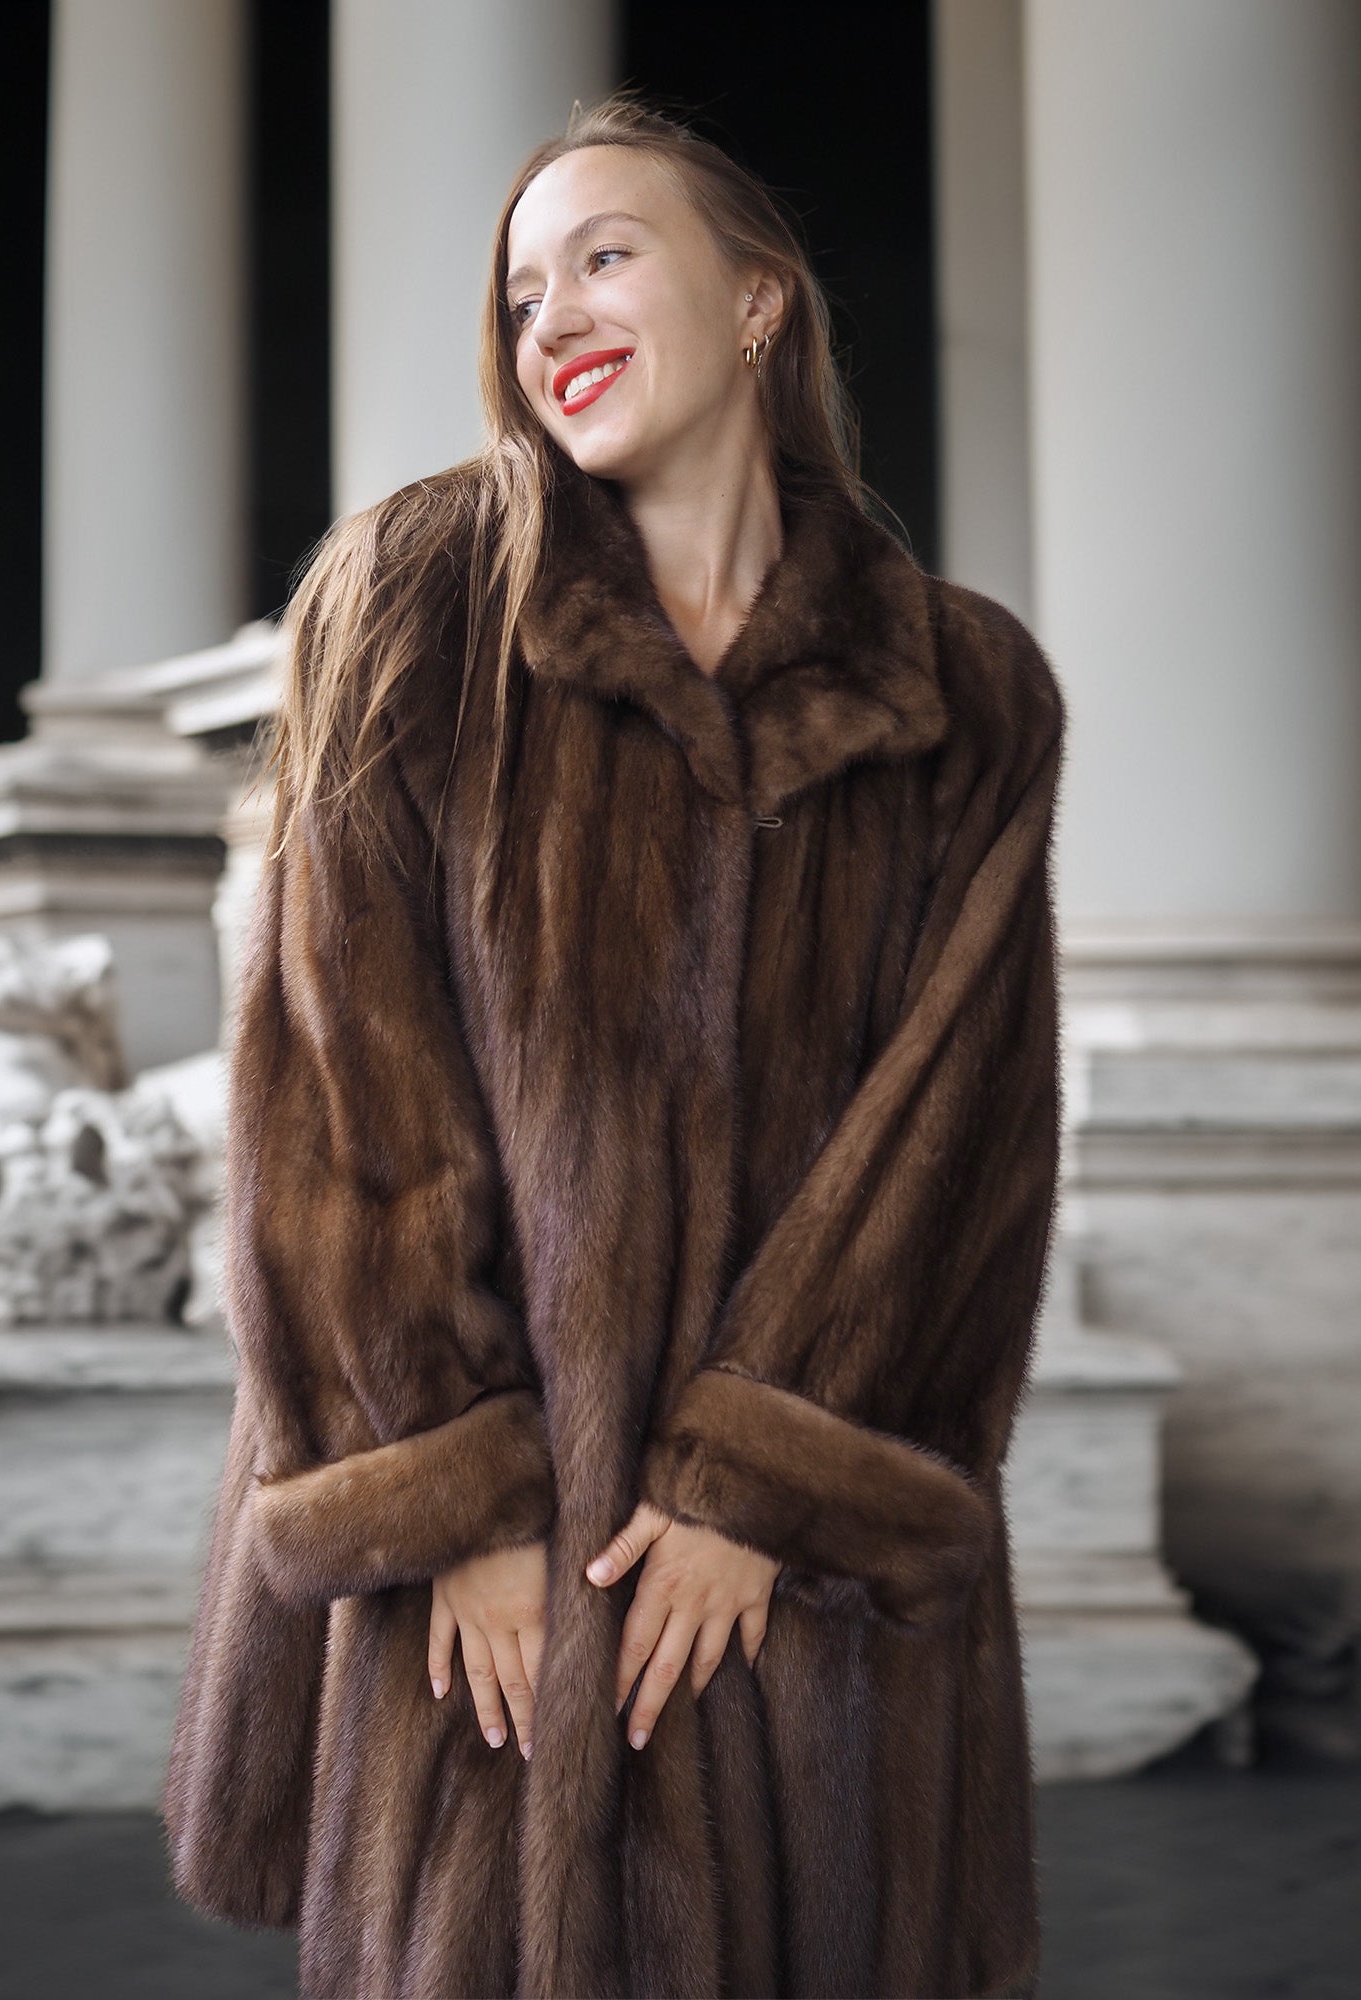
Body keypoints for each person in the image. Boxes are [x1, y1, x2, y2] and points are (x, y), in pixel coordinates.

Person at [163, 92, 1067, 2000]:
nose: (549, 315)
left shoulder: (966, 688)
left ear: (757, 299)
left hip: (801, 1571)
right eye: (518, 293)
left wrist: (770, 1482)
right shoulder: (420, 600)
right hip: (495, 1552)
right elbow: (338, 1080)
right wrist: (456, 1494)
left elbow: (965, 1122)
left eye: (603, 255)